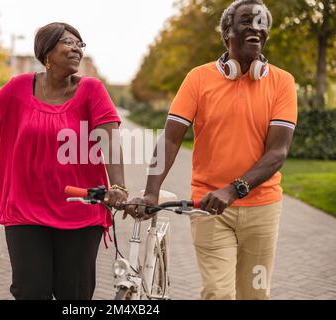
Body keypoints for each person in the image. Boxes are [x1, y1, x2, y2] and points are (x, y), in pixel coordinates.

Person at [125, 0, 297, 300]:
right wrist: (152, 190)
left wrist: (232, 190)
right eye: (247, 21)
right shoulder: (198, 78)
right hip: (208, 208)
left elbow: (277, 153)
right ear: (227, 32)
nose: (256, 27)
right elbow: (170, 139)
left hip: (263, 210)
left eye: (262, 23)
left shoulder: (282, 82)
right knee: (217, 293)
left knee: (255, 294)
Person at [0, 22, 128, 300]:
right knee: (29, 291)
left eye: (80, 44)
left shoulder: (92, 90)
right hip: (24, 209)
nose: (77, 49)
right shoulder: (18, 88)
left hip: (79, 212)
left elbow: (109, 141)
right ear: (46, 53)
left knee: (73, 294)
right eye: (68, 42)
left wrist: (119, 187)